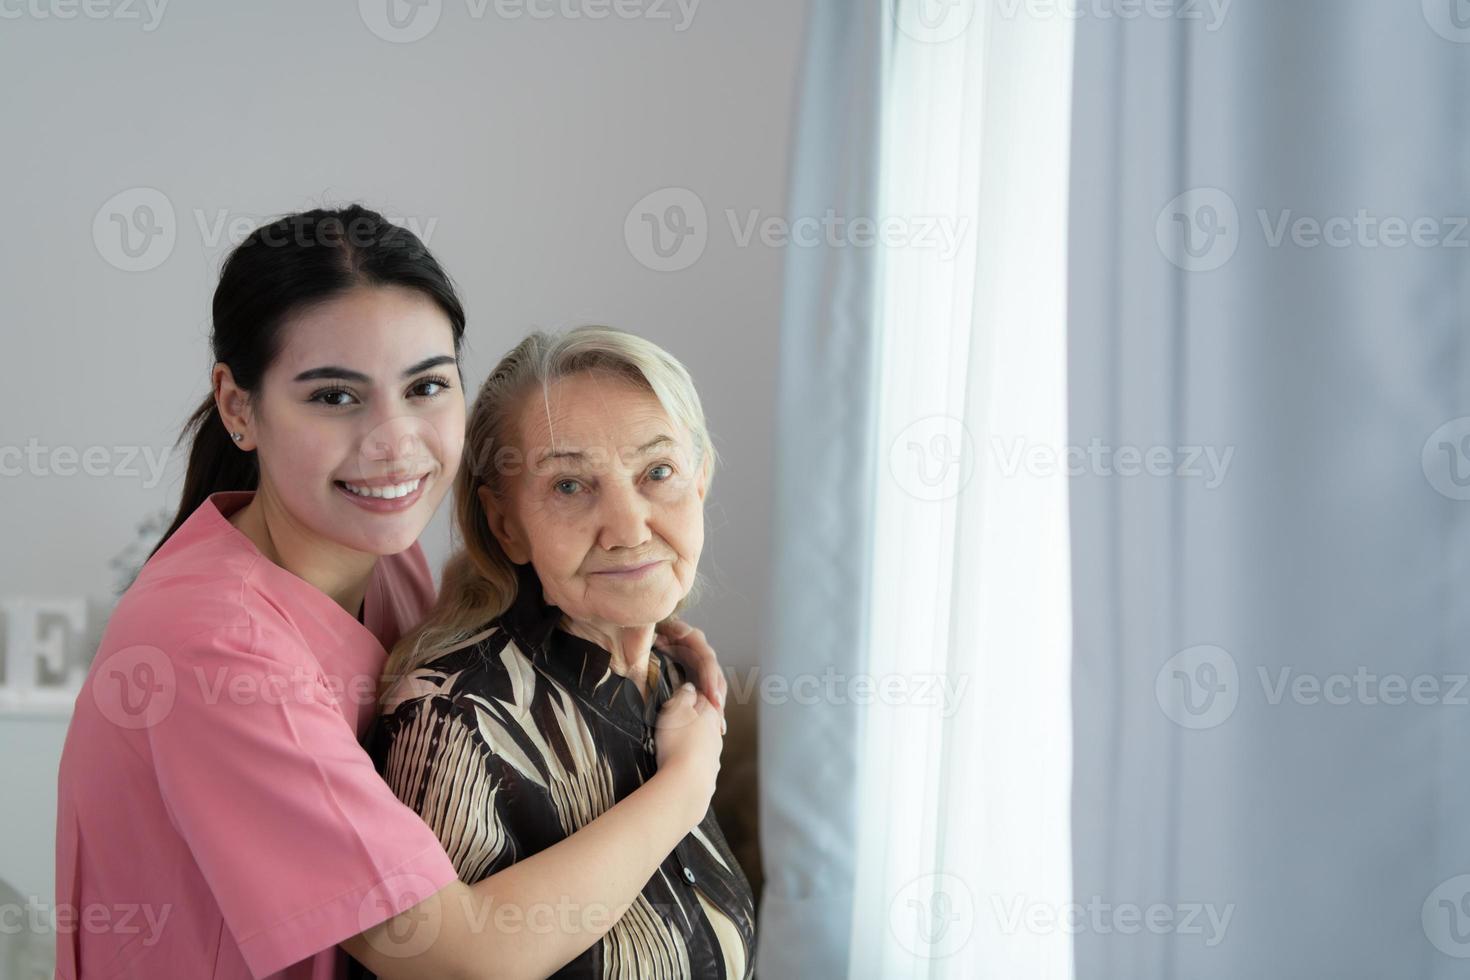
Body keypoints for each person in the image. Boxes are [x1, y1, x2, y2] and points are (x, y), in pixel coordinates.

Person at [54, 207, 728, 979]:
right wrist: (688, 781)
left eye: (427, 386)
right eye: (336, 397)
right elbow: (455, 957)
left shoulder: (383, 557)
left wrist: (645, 623)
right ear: (240, 407)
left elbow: (500, 610)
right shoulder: (211, 645)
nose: (395, 441)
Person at [363, 327, 755, 978]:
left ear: (701, 480)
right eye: (571, 486)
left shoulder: (674, 684)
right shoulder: (454, 716)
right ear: (506, 523)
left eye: (658, 472)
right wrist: (685, 786)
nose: (630, 528)